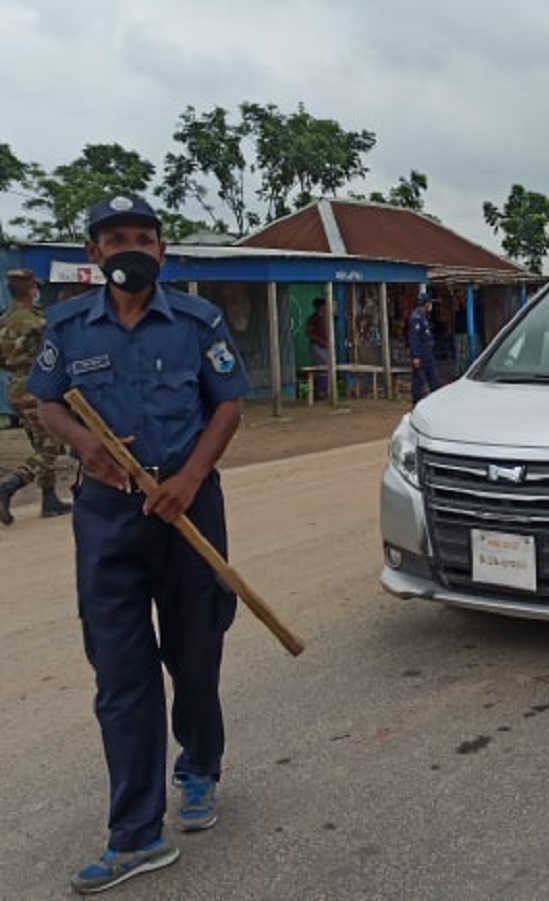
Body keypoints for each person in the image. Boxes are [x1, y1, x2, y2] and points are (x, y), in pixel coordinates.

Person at [27, 195, 250, 894]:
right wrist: (85, 443)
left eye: (141, 238)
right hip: (108, 517)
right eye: (113, 237)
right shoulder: (66, 326)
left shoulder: (197, 321)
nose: (128, 248)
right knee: (121, 675)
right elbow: (45, 400)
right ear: (93, 252)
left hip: (186, 511)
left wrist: (188, 476)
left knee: (194, 651)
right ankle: (137, 833)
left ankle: (200, 765)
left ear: (161, 250)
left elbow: (229, 403)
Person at [0, 268, 72, 523]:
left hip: (14, 386)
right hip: (36, 386)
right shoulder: (38, 322)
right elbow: (56, 352)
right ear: (32, 289)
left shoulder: (5, 318)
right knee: (51, 445)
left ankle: (49, 498)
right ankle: (9, 485)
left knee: (41, 444)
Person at [408, 292, 442, 403]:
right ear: (425, 304)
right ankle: (417, 403)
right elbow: (415, 338)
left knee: (434, 379)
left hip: (427, 353)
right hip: (421, 355)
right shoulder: (416, 318)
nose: (431, 305)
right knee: (419, 381)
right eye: (429, 303)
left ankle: (436, 402)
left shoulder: (423, 317)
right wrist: (416, 356)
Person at [305, 296, 330, 399]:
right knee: (323, 366)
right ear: (320, 307)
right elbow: (309, 333)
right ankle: (320, 391)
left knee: (324, 367)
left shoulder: (325, 318)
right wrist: (321, 341)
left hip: (325, 346)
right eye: (324, 306)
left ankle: (322, 390)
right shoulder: (313, 318)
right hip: (317, 346)